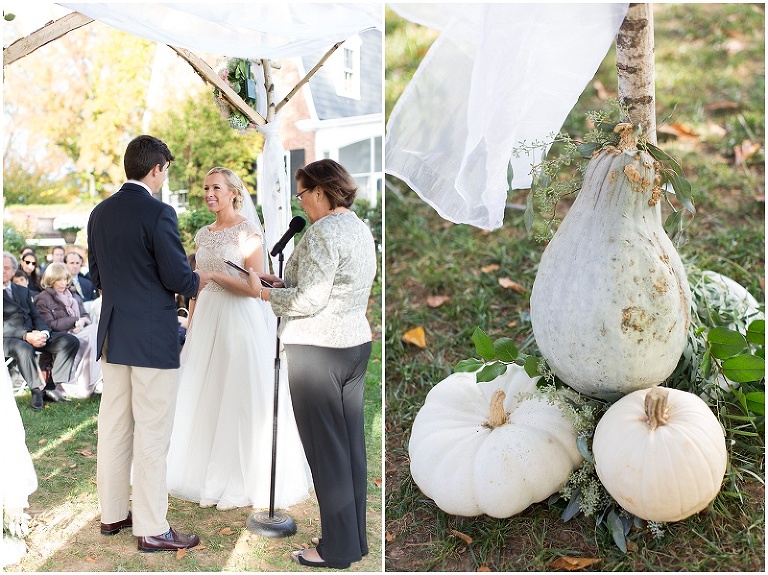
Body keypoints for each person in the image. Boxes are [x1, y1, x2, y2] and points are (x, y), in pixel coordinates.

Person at [87, 135, 209, 553]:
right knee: (153, 433)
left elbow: (97, 276)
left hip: (114, 334)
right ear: (157, 169)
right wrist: (199, 280)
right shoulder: (159, 213)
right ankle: (153, 527)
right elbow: (178, 278)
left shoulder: (99, 213)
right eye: (166, 170)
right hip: (153, 339)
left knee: (114, 428)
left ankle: (113, 515)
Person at [255, 159, 377, 569]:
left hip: (317, 349)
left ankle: (336, 550)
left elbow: (310, 300)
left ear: (322, 191)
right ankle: (352, 540)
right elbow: (335, 284)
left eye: (302, 193)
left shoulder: (324, 231)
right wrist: (285, 284)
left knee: (327, 454)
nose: (301, 202)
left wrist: (265, 294)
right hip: (353, 345)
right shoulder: (359, 227)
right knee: (348, 451)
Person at [167, 167, 312, 511]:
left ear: (234, 192)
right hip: (206, 317)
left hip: (237, 317)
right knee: (206, 389)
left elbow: (254, 287)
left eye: (216, 187)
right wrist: (191, 316)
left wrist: (214, 275)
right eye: (205, 187)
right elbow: (195, 285)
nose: (209, 193)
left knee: (237, 391)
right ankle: (203, 472)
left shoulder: (248, 231)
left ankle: (238, 477)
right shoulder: (202, 234)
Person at [3, 252, 80, 410]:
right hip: (9, 338)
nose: (3, 271)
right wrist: (25, 335)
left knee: (70, 341)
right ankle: (36, 391)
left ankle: (51, 386)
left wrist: (44, 332)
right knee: (23, 347)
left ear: (13, 270)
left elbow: (36, 315)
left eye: (6, 268)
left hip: (34, 334)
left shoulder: (22, 291)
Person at [34, 263, 101, 399]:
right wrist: (74, 321)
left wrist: (81, 323)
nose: (63, 283)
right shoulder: (43, 298)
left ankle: (96, 380)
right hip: (59, 336)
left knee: (96, 331)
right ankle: (89, 383)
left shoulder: (74, 295)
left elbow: (85, 316)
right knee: (93, 333)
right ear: (51, 280)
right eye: (59, 279)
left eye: (65, 279)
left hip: (79, 332)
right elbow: (49, 324)